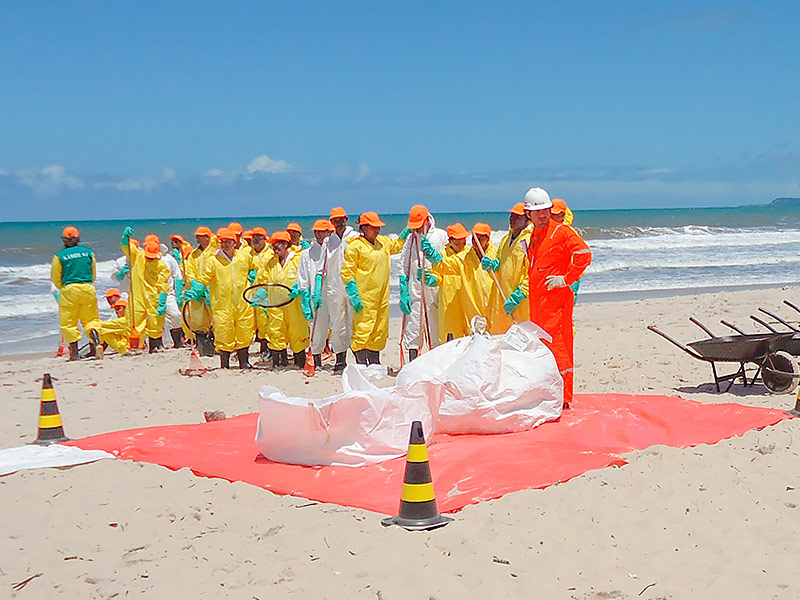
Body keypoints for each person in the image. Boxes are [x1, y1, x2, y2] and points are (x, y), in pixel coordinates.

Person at [523, 187, 592, 408]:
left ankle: (564, 397)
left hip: (556, 304)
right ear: (529, 214)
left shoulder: (561, 232)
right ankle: (551, 394)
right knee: (544, 349)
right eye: (538, 211)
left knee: (559, 347)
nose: (543, 214)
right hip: (538, 306)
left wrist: (566, 278)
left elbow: (583, 254)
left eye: (546, 210)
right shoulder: (534, 236)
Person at [340, 211, 405, 365]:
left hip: (382, 295)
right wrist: (353, 293)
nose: (377, 230)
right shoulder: (355, 247)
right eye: (373, 227)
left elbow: (397, 245)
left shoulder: (382, 243)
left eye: (378, 227)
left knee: (380, 328)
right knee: (363, 327)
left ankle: (375, 362)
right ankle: (361, 363)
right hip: (364, 296)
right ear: (363, 228)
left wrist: (407, 230)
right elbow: (347, 272)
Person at [199, 227, 257, 369]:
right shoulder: (213, 260)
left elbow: (256, 267)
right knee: (224, 333)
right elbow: (204, 277)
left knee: (244, 331)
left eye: (229, 241)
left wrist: (253, 276)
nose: (225, 244)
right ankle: (225, 365)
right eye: (223, 242)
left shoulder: (243, 257)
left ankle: (244, 362)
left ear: (235, 242)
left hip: (243, 302)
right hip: (222, 305)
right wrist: (197, 289)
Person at [398, 205, 447, 362]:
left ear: (426, 220)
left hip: (436, 290)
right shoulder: (411, 239)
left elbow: (449, 261)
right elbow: (403, 265)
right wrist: (403, 290)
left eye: (419, 226)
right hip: (416, 290)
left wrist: (434, 257)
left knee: (437, 328)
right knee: (413, 328)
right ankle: (413, 362)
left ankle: (438, 362)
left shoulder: (440, 235)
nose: (417, 229)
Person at [429, 223, 497, 331]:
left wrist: (496, 266)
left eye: (480, 239)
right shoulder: (466, 257)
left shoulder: (496, 253)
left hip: (492, 307)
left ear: (488, 238)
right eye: (474, 239)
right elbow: (446, 265)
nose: (476, 242)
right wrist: (433, 257)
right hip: (462, 304)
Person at [260, 231, 310, 370]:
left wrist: (298, 287)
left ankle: (300, 362)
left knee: (297, 332)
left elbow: (304, 277)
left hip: (294, 305)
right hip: (275, 305)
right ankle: (277, 363)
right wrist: (259, 296)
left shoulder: (297, 260)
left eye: (278, 245)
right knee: (275, 332)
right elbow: (262, 281)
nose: (275, 248)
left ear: (286, 245)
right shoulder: (270, 264)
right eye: (273, 246)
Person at [50, 226, 102, 361]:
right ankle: (96, 344)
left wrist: (64, 288)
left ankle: (74, 354)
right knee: (91, 319)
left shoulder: (59, 256)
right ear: (78, 239)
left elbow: (56, 277)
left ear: (64, 240)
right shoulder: (89, 253)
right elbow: (93, 273)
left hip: (69, 289)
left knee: (69, 322)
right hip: (88, 287)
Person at [121, 228, 171, 353]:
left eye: (153, 258)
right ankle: (136, 346)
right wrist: (125, 238)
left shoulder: (161, 266)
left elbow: (163, 283)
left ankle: (154, 346)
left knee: (155, 321)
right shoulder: (138, 256)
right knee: (134, 320)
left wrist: (162, 300)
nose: (150, 259)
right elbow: (127, 248)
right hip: (137, 295)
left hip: (153, 296)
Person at [485, 202, 531, 334]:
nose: (512, 219)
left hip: (521, 301)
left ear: (527, 218)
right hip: (504, 298)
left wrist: (519, 295)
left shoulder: (528, 240)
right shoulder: (506, 239)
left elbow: (531, 272)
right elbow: (501, 262)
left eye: (517, 217)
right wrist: (493, 266)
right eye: (511, 216)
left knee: (523, 337)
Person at [324, 207, 360, 373]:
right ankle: (340, 360)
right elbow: (322, 266)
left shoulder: (355, 237)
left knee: (356, 322)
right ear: (331, 222)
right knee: (337, 324)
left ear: (346, 219)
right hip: (333, 287)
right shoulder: (328, 241)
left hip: (352, 286)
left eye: (341, 219)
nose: (339, 222)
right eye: (335, 220)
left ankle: (360, 359)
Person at [296, 219, 335, 369]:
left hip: (332, 294)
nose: (319, 234)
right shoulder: (308, 254)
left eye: (322, 231)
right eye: (316, 232)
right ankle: (317, 360)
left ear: (329, 232)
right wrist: (305, 298)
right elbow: (303, 277)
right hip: (315, 297)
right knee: (316, 329)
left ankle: (339, 360)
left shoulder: (334, 250)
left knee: (337, 328)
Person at [183, 226, 216, 356]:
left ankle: (218, 345)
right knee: (199, 319)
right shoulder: (194, 255)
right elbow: (189, 271)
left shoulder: (215, 251)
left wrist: (207, 287)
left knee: (216, 318)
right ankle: (203, 345)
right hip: (198, 291)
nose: (197, 238)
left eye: (200, 236)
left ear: (207, 237)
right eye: (196, 236)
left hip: (212, 290)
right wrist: (194, 284)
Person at [435, 223, 470, 342]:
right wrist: (434, 279)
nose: (461, 246)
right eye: (457, 243)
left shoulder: (469, 253)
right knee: (450, 338)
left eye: (463, 242)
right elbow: (437, 273)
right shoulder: (442, 255)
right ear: (450, 241)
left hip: (467, 299)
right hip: (449, 302)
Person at [550, 198, 582, 304]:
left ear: (562, 215)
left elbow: (582, 256)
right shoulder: (552, 230)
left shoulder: (568, 232)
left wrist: (568, 277)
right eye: (551, 213)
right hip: (556, 277)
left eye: (555, 214)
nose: (552, 216)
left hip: (568, 278)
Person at [249, 226, 273, 361]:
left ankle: (267, 349)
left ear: (265, 239)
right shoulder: (248, 253)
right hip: (251, 293)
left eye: (259, 237)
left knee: (266, 322)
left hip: (266, 294)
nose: (256, 240)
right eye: (254, 237)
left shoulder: (269, 254)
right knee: (254, 322)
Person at [160, 243, 185, 348]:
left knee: (176, 316)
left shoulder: (168, 259)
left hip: (168, 293)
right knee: (153, 320)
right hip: (150, 293)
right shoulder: (143, 258)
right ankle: (155, 344)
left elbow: (177, 276)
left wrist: (179, 293)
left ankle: (178, 342)